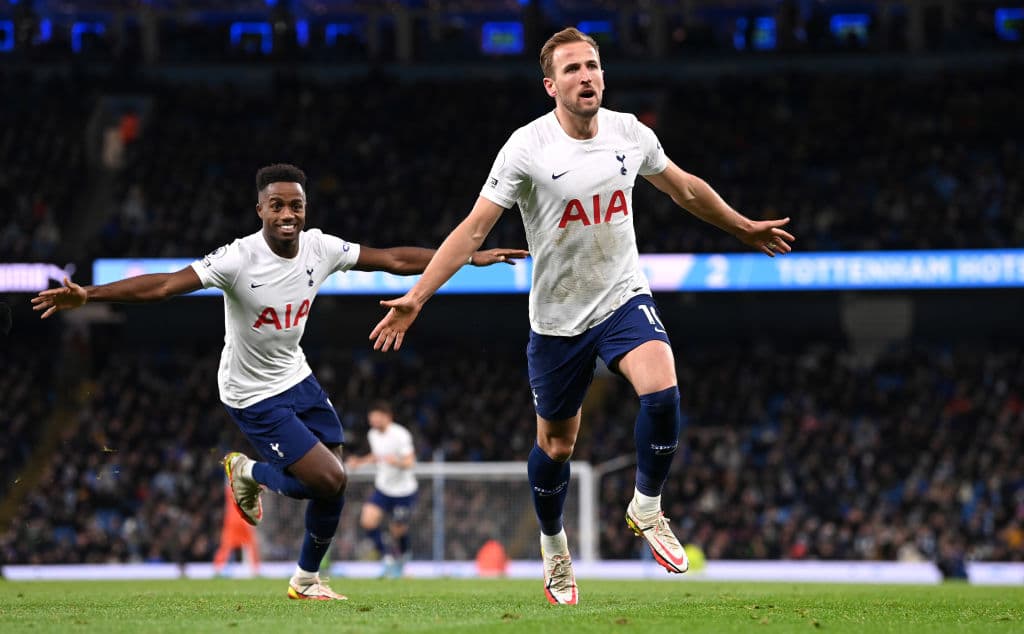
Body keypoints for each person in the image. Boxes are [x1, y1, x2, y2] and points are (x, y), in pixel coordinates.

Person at [369, 28, 796, 605]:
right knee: (556, 447)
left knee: (664, 390)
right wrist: (418, 296)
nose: (586, 76)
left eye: (592, 65)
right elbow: (473, 228)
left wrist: (742, 226)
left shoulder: (629, 132)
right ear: (551, 86)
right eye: (571, 70)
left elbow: (684, 190)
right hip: (557, 317)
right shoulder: (526, 148)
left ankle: (647, 506)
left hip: (622, 295)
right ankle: (554, 549)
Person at [32, 163, 528, 601]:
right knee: (329, 480)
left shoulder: (321, 247)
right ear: (260, 210)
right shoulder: (236, 259)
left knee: (334, 482)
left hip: (297, 375)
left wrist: (467, 257)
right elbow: (163, 285)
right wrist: (91, 295)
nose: (288, 213)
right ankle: (248, 472)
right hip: (250, 393)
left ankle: (306, 581)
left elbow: (394, 259)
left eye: (296, 205)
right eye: (277, 205)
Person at [344, 400, 418, 578]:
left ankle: (404, 557)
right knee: (368, 520)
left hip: (403, 491)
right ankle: (387, 557)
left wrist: (397, 462)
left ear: (387, 417)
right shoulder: (373, 435)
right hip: (383, 488)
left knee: (397, 530)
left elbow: (410, 461)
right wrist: (359, 462)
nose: (374, 421)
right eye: (372, 418)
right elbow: (377, 456)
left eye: (377, 417)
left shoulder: (401, 435)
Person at [213, 481, 261, 578]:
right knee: (251, 544)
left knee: (226, 546)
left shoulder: (230, 484)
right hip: (244, 519)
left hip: (232, 519)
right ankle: (255, 570)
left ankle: (217, 569)